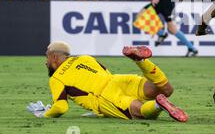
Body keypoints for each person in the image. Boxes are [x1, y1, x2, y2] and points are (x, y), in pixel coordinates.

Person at [26, 42, 188, 122]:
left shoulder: (56, 78)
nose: (45, 62)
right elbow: (103, 70)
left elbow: (61, 107)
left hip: (106, 97)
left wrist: (45, 114)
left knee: (139, 113)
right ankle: (140, 61)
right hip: (117, 80)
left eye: (46, 57)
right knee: (165, 89)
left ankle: (158, 105)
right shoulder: (84, 58)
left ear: (54, 57)